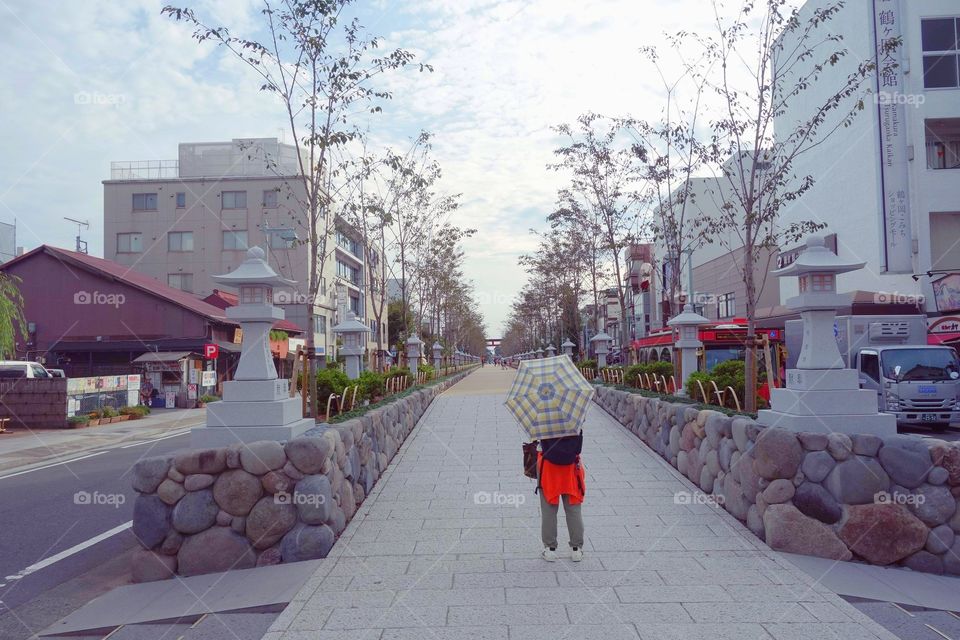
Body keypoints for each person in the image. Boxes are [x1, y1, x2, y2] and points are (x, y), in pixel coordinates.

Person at [536, 434, 585, 561]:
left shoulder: (544, 419)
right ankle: (576, 550)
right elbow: (578, 448)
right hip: (570, 469)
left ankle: (550, 549)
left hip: (549, 469)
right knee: (573, 509)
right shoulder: (574, 419)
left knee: (549, 510)